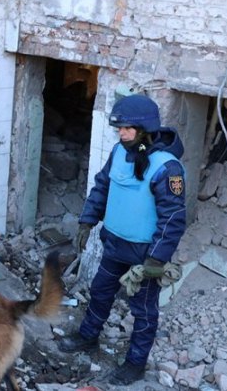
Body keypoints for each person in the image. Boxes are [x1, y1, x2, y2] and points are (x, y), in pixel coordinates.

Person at [58, 94, 186, 386]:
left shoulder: (167, 168)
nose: (121, 133)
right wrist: (87, 221)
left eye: (128, 128)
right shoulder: (120, 151)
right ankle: (88, 336)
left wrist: (157, 258)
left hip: (144, 256)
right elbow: (102, 186)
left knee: (142, 311)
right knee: (100, 291)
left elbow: (173, 217)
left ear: (145, 128)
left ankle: (135, 363)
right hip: (113, 244)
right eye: (119, 128)